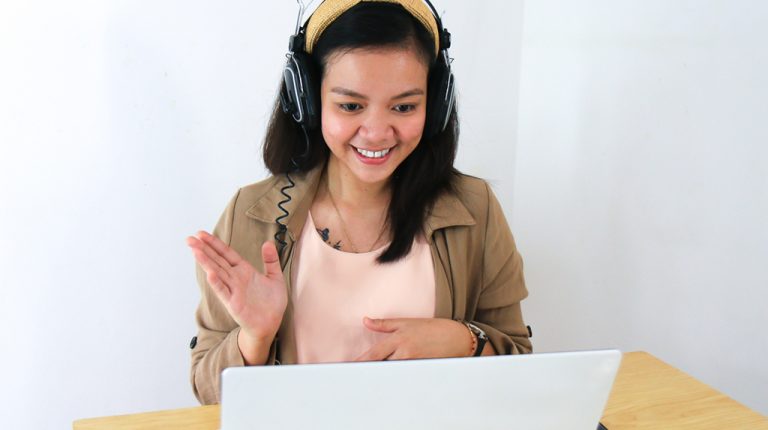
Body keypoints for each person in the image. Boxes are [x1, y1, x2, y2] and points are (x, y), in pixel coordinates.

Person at [186, 0, 532, 405]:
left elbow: (522, 369)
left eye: (404, 107)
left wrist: (461, 340)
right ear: (309, 101)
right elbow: (207, 393)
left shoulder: (476, 210)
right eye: (350, 106)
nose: (376, 132)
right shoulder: (252, 215)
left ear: (434, 105)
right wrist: (255, 337)